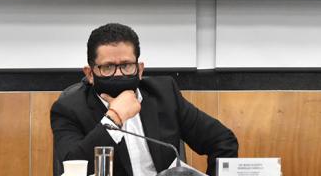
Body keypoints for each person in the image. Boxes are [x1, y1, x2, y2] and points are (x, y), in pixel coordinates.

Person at [51, 23, 238, 176]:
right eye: (107, 68)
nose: (119, 74)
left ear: (140, 70)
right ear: (90, 74)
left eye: (126, 66)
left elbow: (222, 141)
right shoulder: (69, 109)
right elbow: (73, 166)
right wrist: (114, 119)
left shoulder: (164, 94)